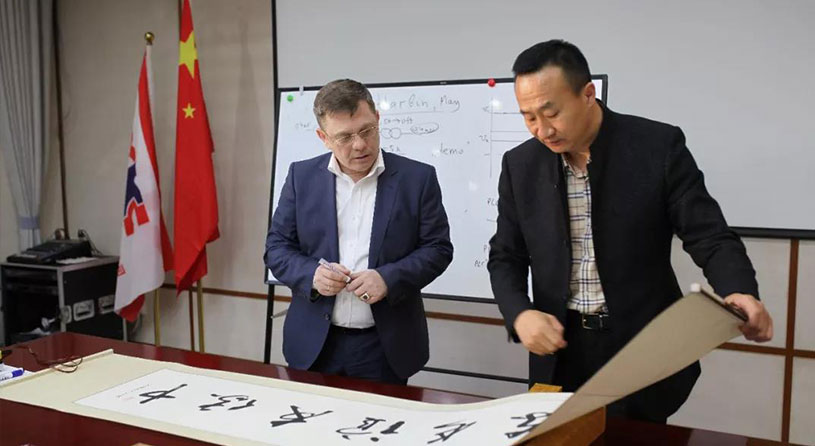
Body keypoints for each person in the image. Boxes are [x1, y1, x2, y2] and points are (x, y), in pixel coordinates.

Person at [488, 40, 773, 422]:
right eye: (528, 117)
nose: (542, 130)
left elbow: (709, 235)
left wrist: (739, 289)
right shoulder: (520, 164)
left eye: (551, 113)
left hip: (642, 347)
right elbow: (505, 255)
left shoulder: (656, 147)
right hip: (560, 347)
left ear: (587, 94)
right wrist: (520, 314)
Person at [265, 79, 453, 385]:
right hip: (315, 343)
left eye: (367, 130)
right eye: (344, 137)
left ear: (377, 119)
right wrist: (313, 275)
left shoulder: (417, 178)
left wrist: (388, 279)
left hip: (385, 345)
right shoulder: (301, 177)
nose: (359, 145)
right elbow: (276, 248)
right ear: (323, 138)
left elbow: (438, 249)